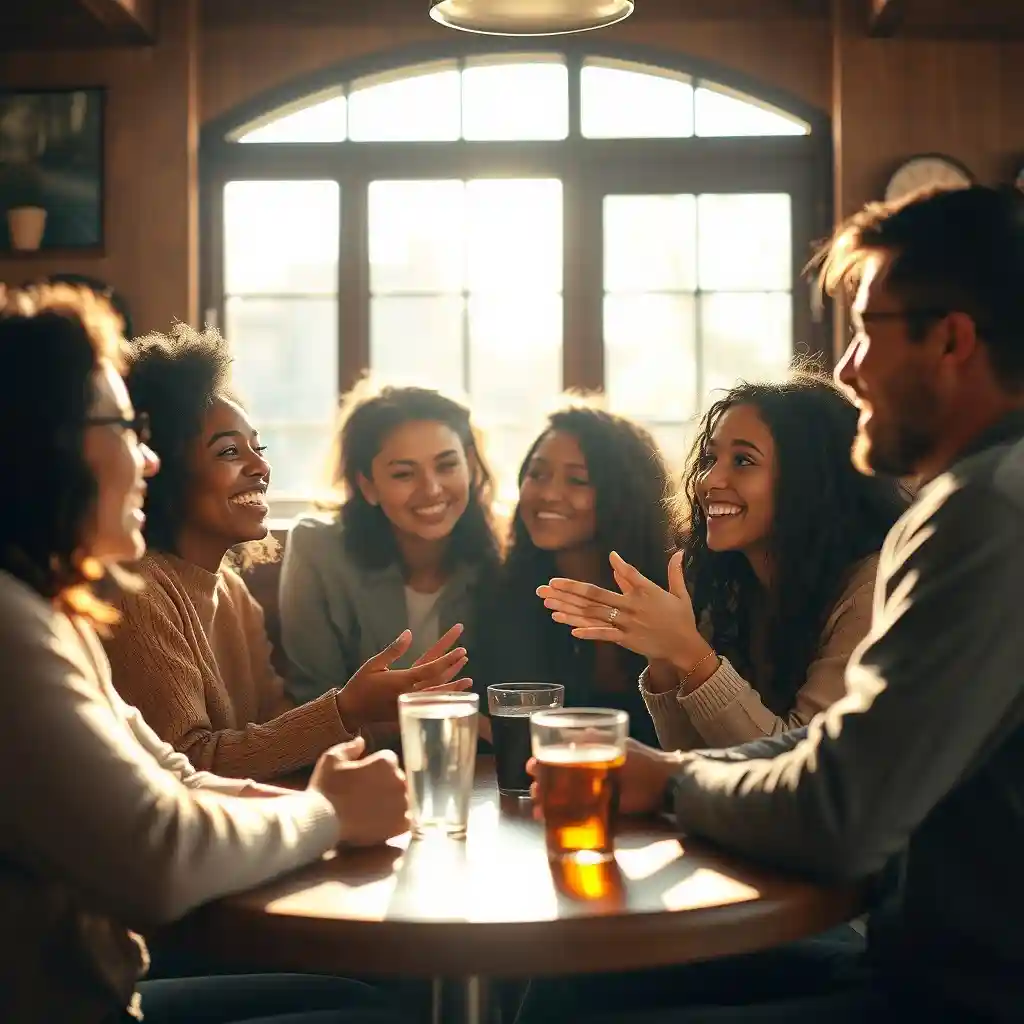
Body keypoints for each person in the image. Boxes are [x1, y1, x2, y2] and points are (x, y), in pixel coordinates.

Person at [518, 184, 1024, 1023]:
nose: (851, 367)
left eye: (867, 331)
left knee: (570, 1002)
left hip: (955, 995)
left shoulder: (986, 512)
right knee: (564, 986)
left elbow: (840, 812)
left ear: (951, 340)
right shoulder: (987, 497)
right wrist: (669, 748)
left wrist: (670, 782)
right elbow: (831, 748)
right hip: (920, 961)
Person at [0, 283, 407, 1023]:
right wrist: (326, 815)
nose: (146, 461)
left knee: (378, 998)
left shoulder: (51, 615)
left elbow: (176, 776)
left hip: (116, 986)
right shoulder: (12, 627)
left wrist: (335, 789)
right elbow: (158, 852)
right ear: (46, 446)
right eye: (126, 428)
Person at [105, 327, 469, 782]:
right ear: (161, 467)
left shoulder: (234, 593)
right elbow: (187, 767)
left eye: (258, 448)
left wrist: (384, 713)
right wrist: (346, 708)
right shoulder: (136, 591)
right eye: (230, 452)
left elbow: (279, 736)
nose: (260, 467)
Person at [539, 373, 906, 750]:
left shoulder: (873, 588)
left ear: (810, 478)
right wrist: (663, 657)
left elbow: (800, 768)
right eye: (710, 458)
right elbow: (698, 760)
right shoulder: (727, 584)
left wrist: (689, 652)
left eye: (743, 461)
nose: (709, 480)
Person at [279, 382, 501, 705]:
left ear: (468, 464)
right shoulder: (316, 550)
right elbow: (311, 706)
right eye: (404, 474)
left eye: (447, 465)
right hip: (355, 753)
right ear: (367, 485)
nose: (433, 489)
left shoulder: (497, 555)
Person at [476, 405, 672, 746]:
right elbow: (514, 729)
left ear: (624, 494)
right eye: (537, 474)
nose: (548, 494)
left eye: (577, 480)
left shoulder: (670, 590)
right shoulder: (508, 593)